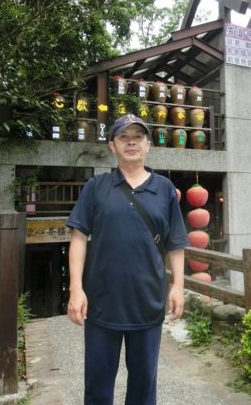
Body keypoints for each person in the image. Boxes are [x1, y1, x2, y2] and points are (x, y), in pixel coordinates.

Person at [66, 114, 189, 405]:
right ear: (112, 146)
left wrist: (178, 286)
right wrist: (76, 289)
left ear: (148, 145)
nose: (131, 142)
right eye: (123, 137)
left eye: (138, 136)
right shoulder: (97, 187)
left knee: (144, 385)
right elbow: (78, 238)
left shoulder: (164, 189)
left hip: (147, 301)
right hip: (101, 301)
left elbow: (175, 244)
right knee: (97, 386)